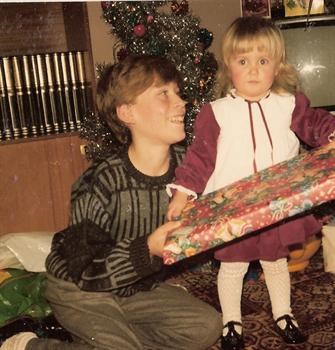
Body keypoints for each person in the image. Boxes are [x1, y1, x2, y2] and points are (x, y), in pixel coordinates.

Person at [1, 55, 222, 350]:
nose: (181, 102)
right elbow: (82, 266)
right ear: (127, 112)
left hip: (135, 287)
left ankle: (113, 338)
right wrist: (146, 250)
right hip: (79, 286)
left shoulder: (189, 169)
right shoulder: (99, 182)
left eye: (178, 93)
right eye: (163, 94)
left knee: (207, 328)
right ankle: (31, 345)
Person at [166, 16, 335, 350]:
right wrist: (183, 192)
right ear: (229, 66)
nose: (254, 70)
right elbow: (200, 157)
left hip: (277, 203)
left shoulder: (288, 104)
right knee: (233, 266)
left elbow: (315, 123)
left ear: (277, 66)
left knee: (275, 262)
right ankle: (232, 322)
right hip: (234, 208)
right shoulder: (216, 112)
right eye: (244, 61)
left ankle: (284, 314)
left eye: (263, 61)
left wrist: (331, 132)